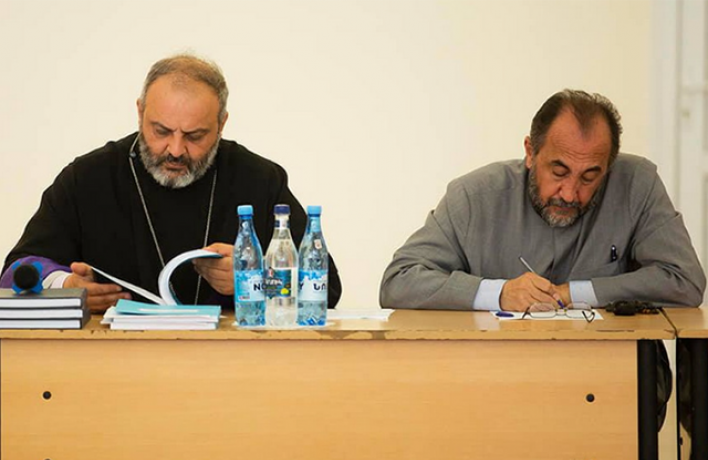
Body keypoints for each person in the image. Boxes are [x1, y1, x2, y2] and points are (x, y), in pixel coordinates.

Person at [380, 89, 706, 429]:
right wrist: (499, 293)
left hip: (612, 382)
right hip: (495, 382)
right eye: (559, 171)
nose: (570, 193)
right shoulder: (474, 196)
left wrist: (574, 292)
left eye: (589, 177)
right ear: (530, 152)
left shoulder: (637, 184)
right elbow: (399, 280)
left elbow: (684, 279)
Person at [0, 53, 341, 311]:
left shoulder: (258, 178)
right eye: (161, 131)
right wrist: (68, 286)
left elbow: (329, 289)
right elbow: (16, 270)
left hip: (229, 365)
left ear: (222, 124)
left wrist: (253, 279)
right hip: (113, 364)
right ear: (140, 113)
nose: (175, 150)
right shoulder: (87, 178)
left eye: (195, 136)